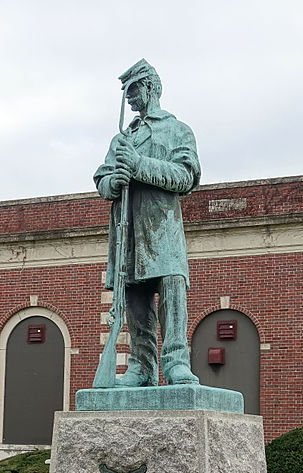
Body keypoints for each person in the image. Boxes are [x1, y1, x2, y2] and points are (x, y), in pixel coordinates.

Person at [94, 59, 201, 387]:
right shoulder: (122, 139)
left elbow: (186, 176)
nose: (129, 98)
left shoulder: (177, 130)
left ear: (152, 88)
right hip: (127, 231)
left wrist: (140, 166)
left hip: (161, 228)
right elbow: (101, 178)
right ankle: (141, 366)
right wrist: (114, 181)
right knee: (135, 301)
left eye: (134, 89)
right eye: (126, 92)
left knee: (172, 289)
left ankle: (176, 361)